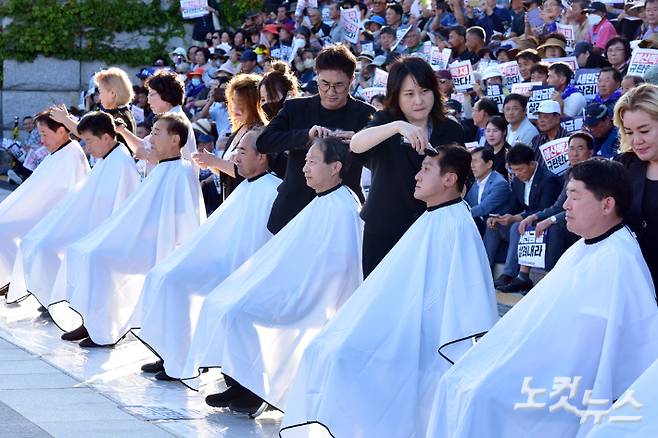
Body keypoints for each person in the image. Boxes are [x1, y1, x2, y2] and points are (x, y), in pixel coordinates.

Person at [427, 159, 658, 438]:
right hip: (547, 362)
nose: (565, 206)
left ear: (606, 205)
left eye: (574, 197)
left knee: (482, 396)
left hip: (568, 382)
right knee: (455, 380)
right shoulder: (587, 247)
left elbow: (599, 355)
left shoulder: (619, 261)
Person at [280, 145, 498, 438]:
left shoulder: (457, 225)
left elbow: (460, 302)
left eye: (426, 169)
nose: (417, 177)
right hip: (403, 324)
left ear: (450, 179)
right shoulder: (435, 217)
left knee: (342, 356)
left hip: (425, 338)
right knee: (324, 349)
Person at [179, 137, 363, 416]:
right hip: (298, 284)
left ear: (336, 167)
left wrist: (291, 287)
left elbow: (339, 268)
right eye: (305, 161)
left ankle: (253, 389)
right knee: (229, 304)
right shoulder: (324, 200)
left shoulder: (343, 206)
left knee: (241, 310)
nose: (304, 169)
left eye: (312, 162)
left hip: (316, 295)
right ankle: (243, 384)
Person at [130, 128, 280, 379]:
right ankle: (173, 354)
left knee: (217, 299)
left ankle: (236, 378)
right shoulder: (248, 186)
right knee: (169, 278)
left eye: (242, 151)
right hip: (224, 260)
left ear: (262, 157)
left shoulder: (273, 190)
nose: (235, 157)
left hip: (244, 269)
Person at [50, 113, 204, 347]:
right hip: (142, 240)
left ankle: (115, 332)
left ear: (175, 140)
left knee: (99, 257)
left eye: (156, 133)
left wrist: (145, 236)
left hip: (160, 247)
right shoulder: (160, 168)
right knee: (88, 253)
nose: (150, 139)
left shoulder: (182, 171)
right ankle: (95, 324)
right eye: (151, 132)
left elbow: (183, 223)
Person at [6, 112, 140, 306]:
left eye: (89, 141)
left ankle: (67, 303)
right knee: (39, 242)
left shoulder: (121, 162)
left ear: (106, 137)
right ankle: (52, 298)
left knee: (56, 247)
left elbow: (122, 210)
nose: (86, 147)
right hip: (88, 221)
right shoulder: (106, 156)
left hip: (103, 230)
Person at [350, 57, 465, 277]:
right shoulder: (386, 121)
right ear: (396, 96)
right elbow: (356, 145)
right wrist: (397, 127)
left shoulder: (451, 129)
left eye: (424, 91)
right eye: (409, 94)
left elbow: (460, 178)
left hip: (433, 227)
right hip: (385, 226)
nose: (419, 101)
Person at [256, 44, 375, 234]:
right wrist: (305, 136)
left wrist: (360, 142)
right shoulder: (295, 108)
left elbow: (382, 162)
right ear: (316, 76)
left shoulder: (367, 115)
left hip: (339, 215)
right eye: (324, 84)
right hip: (293, 210)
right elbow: (263, 142)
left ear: (351, 80)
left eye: (339, 85)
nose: (331, 92)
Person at [0, 111, 89, 296]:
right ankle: (8, 278)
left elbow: (66, 195)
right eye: (40, 135)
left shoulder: (71, 155)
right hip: (40, 212)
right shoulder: (57, 153)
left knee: (9, 230)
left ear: (62, 131)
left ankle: (25, 283)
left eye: (44, 134)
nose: (41, 140)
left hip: (56, 218)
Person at [499, 132, 594, 292]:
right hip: (567, 217)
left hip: (586, 222)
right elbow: (558, 206)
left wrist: (550, 220)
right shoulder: (570, 173)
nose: (575, 153)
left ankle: (550, 279)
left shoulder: (593, 173)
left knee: (553, 228)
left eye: (580, 148)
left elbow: (582, 207)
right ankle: (522, 276)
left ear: (590, 152)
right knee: (526, 223)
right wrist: (534, 217)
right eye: (571, 149)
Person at [485, 143, 562, 288]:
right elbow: (512, 206)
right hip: (524, 222)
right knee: (493, 226)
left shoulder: (548, 180)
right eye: (513, 170)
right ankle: (485, 269)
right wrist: (498, 216)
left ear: (532, 164)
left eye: (520, 169)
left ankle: (509, 274)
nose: (517, 174)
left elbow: (545, 210)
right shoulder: (517, 180)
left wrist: (517, 218)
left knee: (516, 227)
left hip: (541, 227)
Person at [191, 74, 267, 208]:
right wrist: (211, 162)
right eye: (233, 101)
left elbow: (247, 172)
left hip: (248, 204)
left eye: (241, 103)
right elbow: (228, 173)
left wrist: (214, 161)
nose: (234, 108)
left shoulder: (259, 132)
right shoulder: (239, 129)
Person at [613, 83, 658, 290]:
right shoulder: (624, 165)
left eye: (644, 130)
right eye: (629, 132)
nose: (636, 140)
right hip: (633, 283)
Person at [117, 70, 198, 166]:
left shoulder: (173, 120)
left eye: (151, 94)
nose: (148, 100)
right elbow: (143, 147)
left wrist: (146, 155)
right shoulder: (171, 117)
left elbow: (144, 151)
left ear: (166, 95)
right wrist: (122, 130)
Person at [50, 67, 136, 145]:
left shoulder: (119, 116)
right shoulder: (120, 112)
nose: (99, 97)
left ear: (112, 93)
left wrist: (65, 119)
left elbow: (86, 133)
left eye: (101, 92)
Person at [465, 146, 512, 233]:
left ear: (489, 164)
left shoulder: (499, 184)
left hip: (497, 227)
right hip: (480, 225)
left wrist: (460, 214)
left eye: (475, 161)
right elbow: (467, 203)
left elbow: (483, 208)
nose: (472, 165)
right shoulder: (476, 182)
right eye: (471, 161)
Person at [530, 100, 570, 165]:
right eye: (539, 117)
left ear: (557, 118)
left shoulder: (568, 139)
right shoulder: (536, 139)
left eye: (546, 117)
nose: (541, 120)